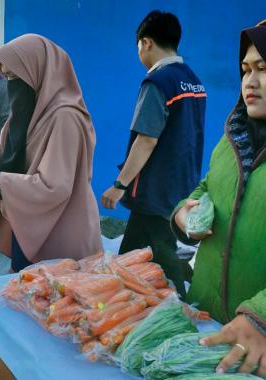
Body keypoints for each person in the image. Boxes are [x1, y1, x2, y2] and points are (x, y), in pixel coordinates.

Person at [0, 34, 102, 272]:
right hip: (29, 221)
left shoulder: (65, 117)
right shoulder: (32, 109)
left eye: (16, 76)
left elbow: (54, 186)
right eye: (8, 77)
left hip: (59, 232)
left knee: (52, 301)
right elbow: (14, 151)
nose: (12, 85)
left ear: (38, 72)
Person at [172, 23, 266, 377]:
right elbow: (207, 187)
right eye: (246, 70)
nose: (250, 82)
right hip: (210, 322)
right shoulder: (232, 139)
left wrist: (261, 316)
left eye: (263, 69)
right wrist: (184, 214)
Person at [100, 11, 206, 298]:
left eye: (138, 46)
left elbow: (146, 140)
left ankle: (181, 306)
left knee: (157, 261)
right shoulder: (193, 81)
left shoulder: (158, 83)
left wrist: (119, 185)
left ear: (146, 43)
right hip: (180, 186)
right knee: (132, 261)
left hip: (155, 192)